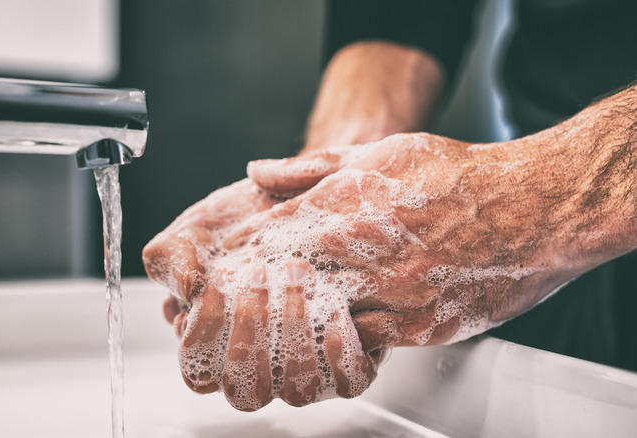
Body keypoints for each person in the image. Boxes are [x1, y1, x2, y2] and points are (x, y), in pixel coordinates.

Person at [142, 0, 637, 411]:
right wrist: (323, 202)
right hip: (564, 299)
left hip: (556, 237)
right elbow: (396, 13)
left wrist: (530, 204)